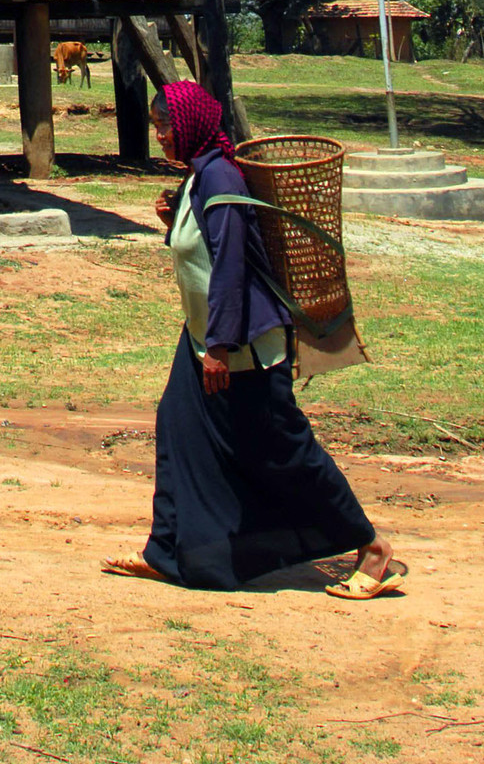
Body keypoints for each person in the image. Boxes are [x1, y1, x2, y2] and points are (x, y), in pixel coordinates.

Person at [102, 81, 404, 598]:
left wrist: (219, 346)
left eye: (166, 128)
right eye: (157, 129)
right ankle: (165, 551)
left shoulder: (219, 177)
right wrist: (173, 221)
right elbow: (203, 251)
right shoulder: (199, 176)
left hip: (242, 345)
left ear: (190, 124)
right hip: (202, 336)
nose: (161, 139)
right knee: (179, 429)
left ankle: (371, 548)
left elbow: (232, 271)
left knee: (282, 446)